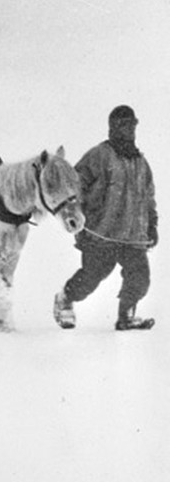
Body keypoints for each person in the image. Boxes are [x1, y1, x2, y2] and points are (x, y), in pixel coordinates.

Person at [54, 105, 157, 331]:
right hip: (101, 232)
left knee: (140, 278)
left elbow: (148, 196)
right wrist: (75, 213)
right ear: (113, 127)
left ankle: (126, 317)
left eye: (132, 124)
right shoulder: (99, 155)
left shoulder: (141, 162)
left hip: (132, 236)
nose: (129, 129)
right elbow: (75, 184)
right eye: (123, 125)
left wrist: (152, 223)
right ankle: (65, 299)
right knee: (92, 278)